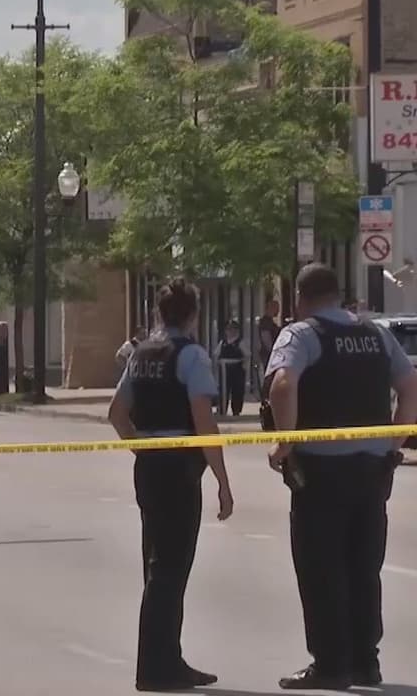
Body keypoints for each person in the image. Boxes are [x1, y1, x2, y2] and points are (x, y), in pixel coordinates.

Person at [264, 263, 417, 690]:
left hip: (321, 472)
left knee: (321, 566)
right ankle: (365, 661)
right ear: (338, 293)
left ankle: (331, 664)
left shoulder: (301, 334)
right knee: (364, 566)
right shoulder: (376, 334)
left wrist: (284, 443)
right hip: (372, 469)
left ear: (301, 298)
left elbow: (282, 385)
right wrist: (393, 443)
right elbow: (411, 388)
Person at [107, 278, 233, 692]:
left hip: (150, 466)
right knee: (170, 570)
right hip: (179, 467)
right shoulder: (191, 355)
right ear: (193, 314)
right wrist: (222, 480)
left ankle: (167, 660)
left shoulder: (141, 353)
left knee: (157, 566)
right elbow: (204, 420)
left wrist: (142, 449)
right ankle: (157, 668)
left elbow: (117, 413)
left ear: (159, 313)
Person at [212, 319, 248, 416]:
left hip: (236, 368)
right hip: (225, 369)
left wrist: (244, 365)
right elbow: (216, 354)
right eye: (228, 329)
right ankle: (222, 409)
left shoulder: (240, 342)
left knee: (237, 390)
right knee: (223, 390)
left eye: (233, 329)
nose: (231, 331)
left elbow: (247, 355)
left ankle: (236, 410)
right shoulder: (223, 342)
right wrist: (217, 364)